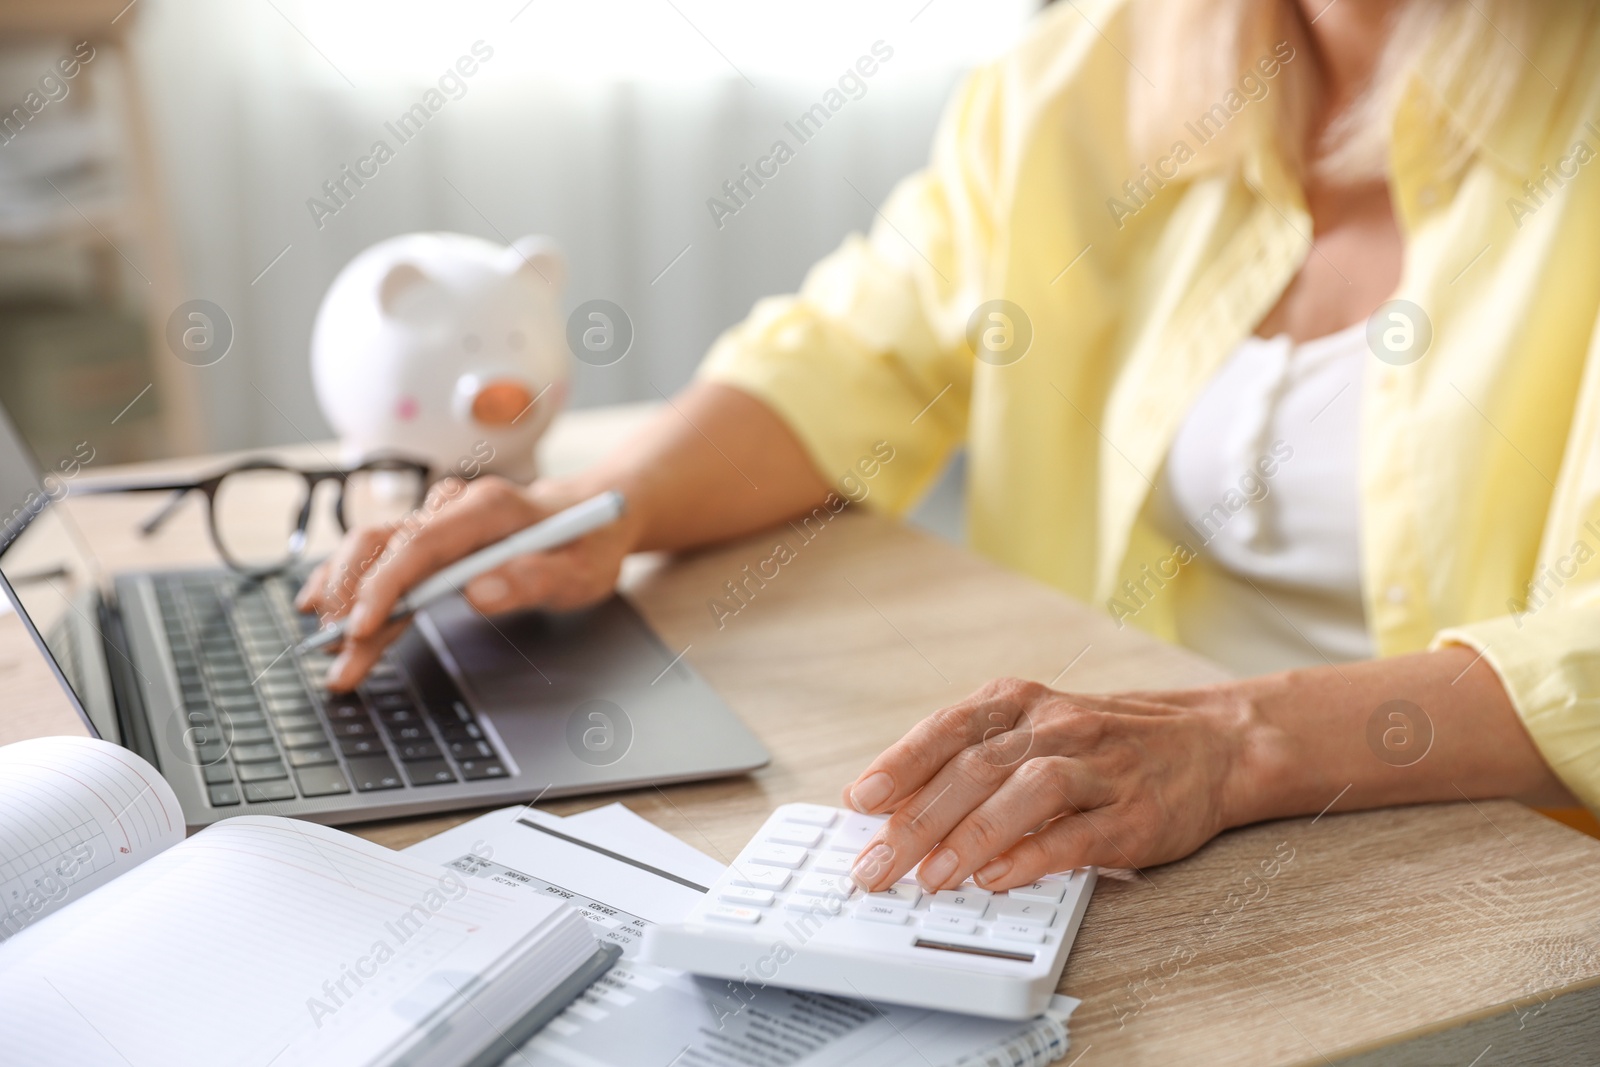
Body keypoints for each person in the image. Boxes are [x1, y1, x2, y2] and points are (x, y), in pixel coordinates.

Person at [298, 0, 1600, 896]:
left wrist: (1238, 745)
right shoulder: (1095, 70)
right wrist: (597, 505)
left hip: (1502, 854)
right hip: (1130, 806)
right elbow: (856, 351)